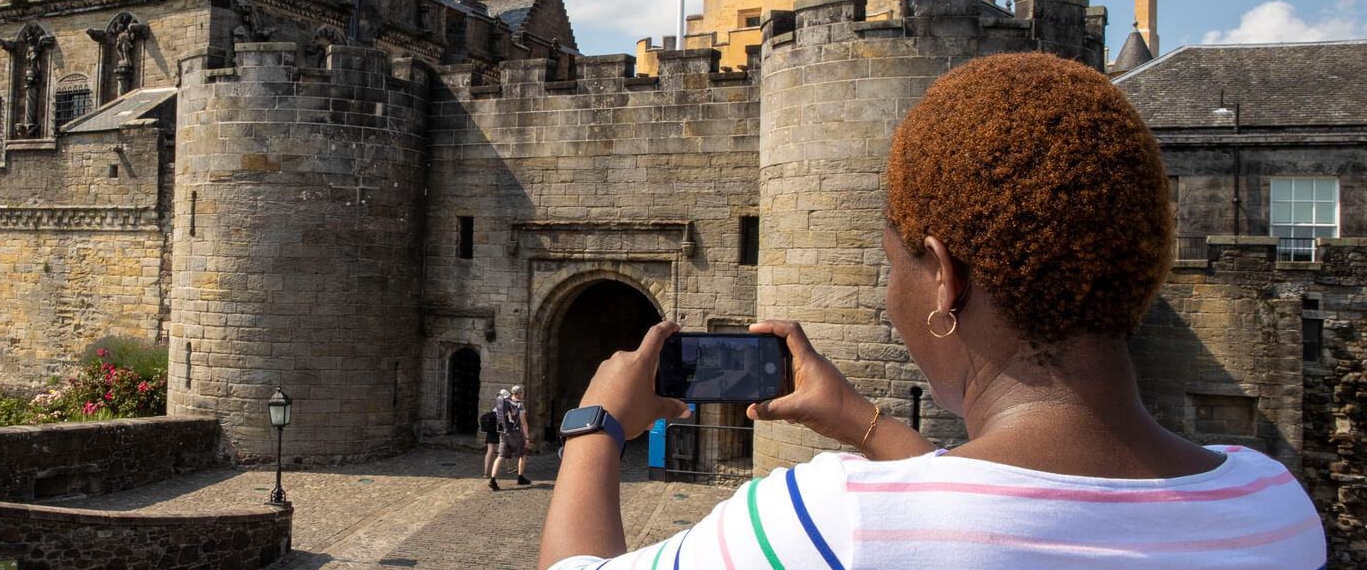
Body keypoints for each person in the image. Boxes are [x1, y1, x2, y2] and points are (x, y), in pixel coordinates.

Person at [538, 53, 1326, 570]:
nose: (890, 292)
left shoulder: (832, 520)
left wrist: (596, 425)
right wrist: (859, 417)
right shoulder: (1277, 509)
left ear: (944, 276)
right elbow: (984, 508)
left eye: (894, 263)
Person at [489, 385, 530, 491]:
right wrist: (527, 437)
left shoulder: (504, 403)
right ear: (519, 393)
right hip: (514, 433)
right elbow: (524, 423)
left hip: (503, 433)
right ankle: (520, 477)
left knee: (500, 456)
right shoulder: (519, 404)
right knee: (523, 454)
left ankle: (492, 479)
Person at [482, 388, 508, 480]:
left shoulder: (495, 408)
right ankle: (509, 467)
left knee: (489, 451)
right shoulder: (504, 408)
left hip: (491, 431)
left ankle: (485, 472)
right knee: (504, 451)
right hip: (500, 431)